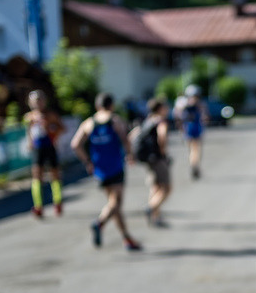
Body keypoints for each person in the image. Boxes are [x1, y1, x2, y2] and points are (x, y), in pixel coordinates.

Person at [71, 93, 142, 251]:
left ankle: (127, 239)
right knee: (115, 203)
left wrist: (87, 161)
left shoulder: (88, 123)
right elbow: (126, 140)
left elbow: (75, 144)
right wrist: (130, 155)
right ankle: (99, 223)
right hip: (115, 166)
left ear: (97, 106)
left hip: (100, 168)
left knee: (114, 203)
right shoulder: (115, 120)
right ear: (111, 105)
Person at [130, 97, 172, 227]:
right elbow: (162, 137)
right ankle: (151, 208)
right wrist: (163, 153)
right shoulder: (160, 121)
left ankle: (156, 217)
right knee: (166, 188)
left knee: (155, 187)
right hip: (157, 158)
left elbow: (132, 136)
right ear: (160, 108)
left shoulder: (147, 120)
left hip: (148, 159)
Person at [24, 90, 65, 218]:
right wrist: (29, 142)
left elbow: (61, 128)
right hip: (37, 149)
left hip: (49, 147)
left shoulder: (51, 115)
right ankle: (38, 206)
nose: (38, 103)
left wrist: (52, 132)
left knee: (55, 174)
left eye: (40, 100)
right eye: (35, 101)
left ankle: (57, 201)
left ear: (44, 101)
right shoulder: (29, 117)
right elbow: (29, 131)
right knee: (37, 175)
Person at [177, 85, 209, 180]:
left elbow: (178, 116)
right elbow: (205, 117)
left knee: (192, 149)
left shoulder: (183, 104)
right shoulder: (200, 104)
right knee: (196, 149)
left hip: (188, 129)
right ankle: (195, 165)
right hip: (196, 128)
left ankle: (193, 164)